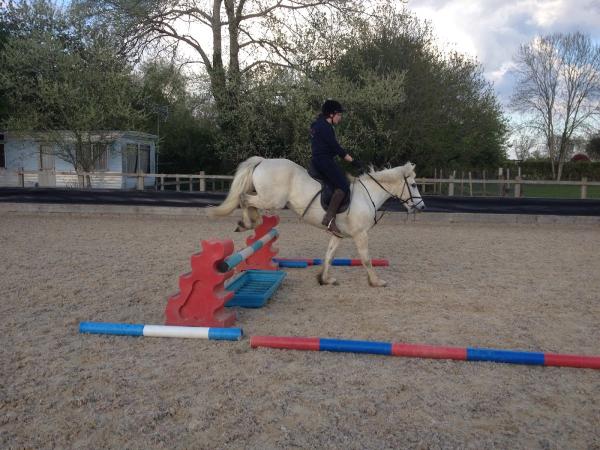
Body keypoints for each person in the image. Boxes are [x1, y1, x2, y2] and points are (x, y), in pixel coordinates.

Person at [310, 99, 360, 236]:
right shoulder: (325, 128)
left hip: (320, 160)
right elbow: (337, 149)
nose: (340, 117)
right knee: (343, 185)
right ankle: (329, 219)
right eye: (339, 114)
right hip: (324, 161)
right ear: (331, 114)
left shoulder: (318, 124)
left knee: (339, 180)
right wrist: (354, 161)